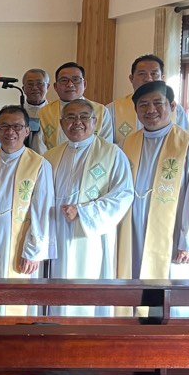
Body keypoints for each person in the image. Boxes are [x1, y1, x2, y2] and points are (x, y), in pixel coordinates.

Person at [117, 81, 189, 280]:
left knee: (167, 288)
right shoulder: (127, 143)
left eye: (157, 103)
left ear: (172, 106)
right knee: (131, 279)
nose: (150, 110)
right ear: (136, 110)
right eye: (143, 104)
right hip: (130, 229)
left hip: (172, 233)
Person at [46, 99, 133, 315]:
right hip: (56, 231)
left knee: (86, 285)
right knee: (56, 287)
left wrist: (84, 212)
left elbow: (123, 194)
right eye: (70, 117)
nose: (77, 122)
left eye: (84, 117)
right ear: (61, 123)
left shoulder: (112, 154)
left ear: (95, 122)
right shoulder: (50, 156)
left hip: (90, 235)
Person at [0, 105, 53, 314]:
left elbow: (42, 210)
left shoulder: (39, 164)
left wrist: (34, 251)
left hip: (20, 241)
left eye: (17, 126)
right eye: (4, 126)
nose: (10, 132)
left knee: (16, 300)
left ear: (27, 131)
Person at [111, 54, 189, 145]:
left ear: (162, 79)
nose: (149, 79)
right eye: (142, 74)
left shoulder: (176, 110)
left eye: (154, 74)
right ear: (131, 78)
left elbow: (187, 143)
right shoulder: (112, 110)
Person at [38, 62, 113, 151]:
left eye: (76, 79)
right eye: (64, 80)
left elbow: (106, 147)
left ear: (84, 84)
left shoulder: (100, 111)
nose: (70, 84)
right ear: (55, 86)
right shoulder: (45, 112)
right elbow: (40, 147)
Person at [20, 68, 50, 154]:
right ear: (23, 88)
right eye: (30, 84)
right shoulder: (17, 113)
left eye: (39, 83)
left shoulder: (55, 112)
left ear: (47, 87)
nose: (34, 88)